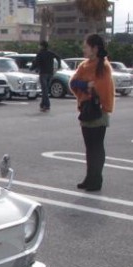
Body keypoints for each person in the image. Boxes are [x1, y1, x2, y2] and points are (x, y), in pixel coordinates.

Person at [69, 34, 115, 192]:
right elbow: (73, 83)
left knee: (96, 146)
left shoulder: (104, 66)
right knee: (89, 147)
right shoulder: (84, 65)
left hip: (99, 110)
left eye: (86, 46)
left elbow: (102, 89)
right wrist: (86, 85)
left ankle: (96, 179)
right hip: (86, 109)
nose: (84, 49)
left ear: (94, 48)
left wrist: (89, 87)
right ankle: (90, 177)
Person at [31, 40, 61, 112]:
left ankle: (46, 105)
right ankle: (42, 104)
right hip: (50, 73)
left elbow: (36, 62)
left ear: (42, 46)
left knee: (44, 90)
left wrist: (32, 68)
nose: (39, 47)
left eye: (40, 45)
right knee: (46, 90)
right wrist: (58, 66)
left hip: (43, 73)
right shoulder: (50, 53)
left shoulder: (40, 54)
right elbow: (58, 58)